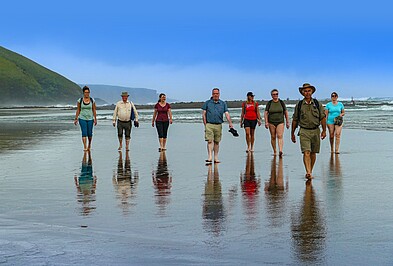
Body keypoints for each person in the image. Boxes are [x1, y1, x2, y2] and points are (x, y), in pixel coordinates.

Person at [291, 83, 326, 180]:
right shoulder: (299, 105)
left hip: (315, 130)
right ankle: (308, 172)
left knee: (313, 153)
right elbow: (295, 119)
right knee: (306, 152)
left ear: (312, 92)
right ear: (302, 93)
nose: (307, 93)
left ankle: (311, 169)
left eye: (309, 91)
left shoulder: (317, 103)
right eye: (305, 91)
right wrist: (292, 133)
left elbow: (322, 117)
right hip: (304, 131)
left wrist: (324, 130)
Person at [202, 88, 234, 164]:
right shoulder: (207, 103)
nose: (215, 95)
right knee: (210, 141)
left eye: (217, 93)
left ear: (219, 94)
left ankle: (216, 157)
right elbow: (203, 114)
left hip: (218, 124)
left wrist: (230, 123)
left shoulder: (223, 103)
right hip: (209, 124)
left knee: (217, 141)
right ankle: (209, 157)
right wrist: (205, 124)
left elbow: (226, 114)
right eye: (214, 93)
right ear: (212, 94)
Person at [264, 89, 290, 156]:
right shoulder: (269, 103)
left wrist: (287, 121)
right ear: (271, 95)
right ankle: (275, 151)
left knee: (280, 136)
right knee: (273, 136)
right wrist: (266, 122)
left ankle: (280, 150)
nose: (275, 95)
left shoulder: (281, 102)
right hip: (271, 122)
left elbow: (286, 112)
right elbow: (266, 113)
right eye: (274, 94)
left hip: (280, 121)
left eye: (276, 94)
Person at [74, 86, 97, 151]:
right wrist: (76, 118)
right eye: (85, 92)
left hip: (90, 118)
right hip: (82, 118)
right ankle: (85, 147)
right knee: (84, 132)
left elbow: (94, 110)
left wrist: (95, 119)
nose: (87, 94)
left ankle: (89, 145)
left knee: (90, 133)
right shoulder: (80, 100)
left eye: (88, 92)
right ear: (83, 93)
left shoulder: (92, 100)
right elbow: (78, 110)